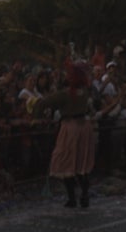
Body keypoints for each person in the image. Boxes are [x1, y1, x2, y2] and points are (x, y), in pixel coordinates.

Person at [33, 61, 96, 208]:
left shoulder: (65, 94)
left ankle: (72, 198)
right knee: (81, 163)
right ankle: (84, 196)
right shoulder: (85, 91)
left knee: (67, 161)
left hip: (70, 127)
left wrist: (37, 118)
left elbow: (43, 103)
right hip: (84, 126)